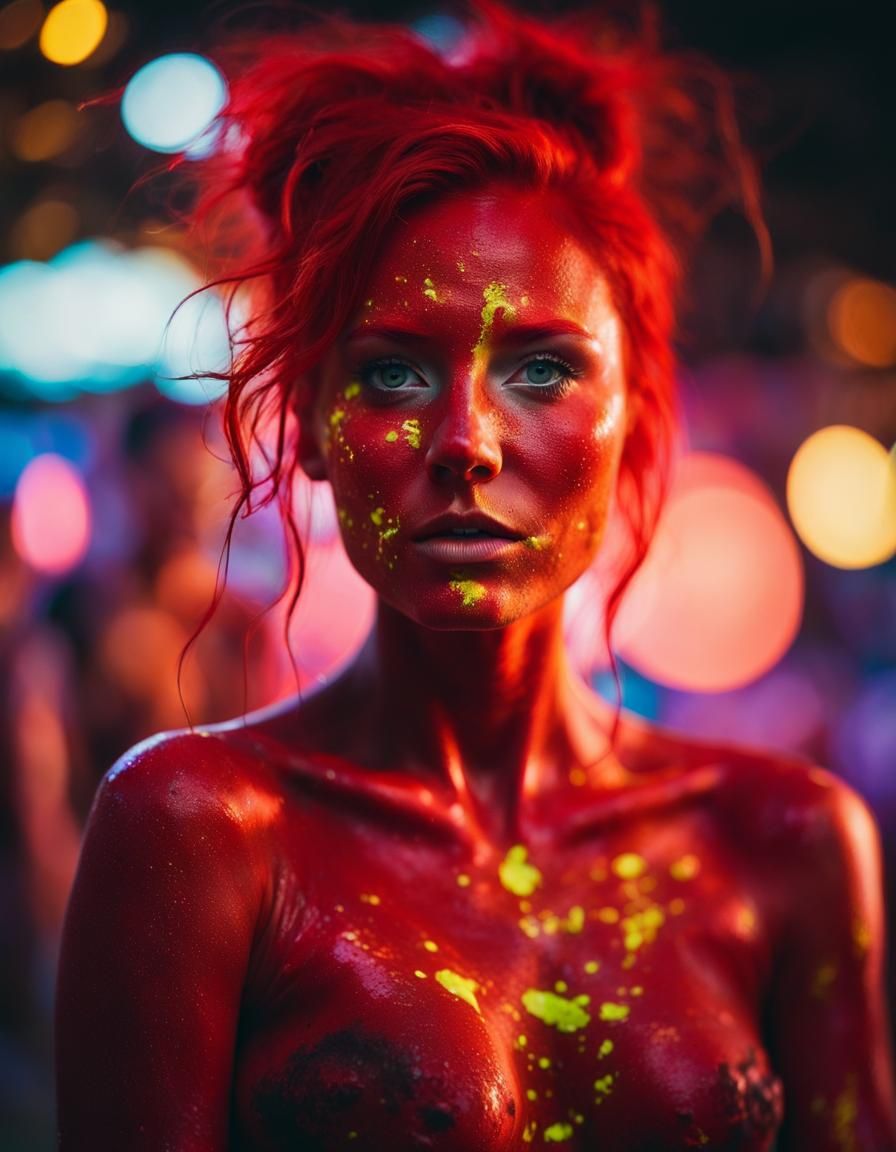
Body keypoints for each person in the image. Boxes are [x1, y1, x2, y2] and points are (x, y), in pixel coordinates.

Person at [55, 3, 896, 1148]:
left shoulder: (784, 840)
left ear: (634, 419)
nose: (468, 441)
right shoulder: (203, 831)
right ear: (306, 421)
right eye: (394, 373)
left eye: (542, 369)